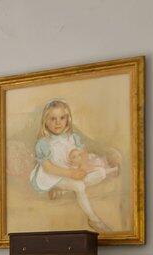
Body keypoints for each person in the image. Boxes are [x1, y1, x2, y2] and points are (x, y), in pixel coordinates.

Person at [29, 99, 119, 231]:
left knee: (100, 171)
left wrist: (82, 168)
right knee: (79, 185)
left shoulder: (73, 137)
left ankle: (64, 190)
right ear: (46, 122)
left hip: (71, 171)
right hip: (54, 175)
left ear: (67, 119)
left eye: (62, 117)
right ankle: (94, 219)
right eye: (53, 119)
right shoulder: (43, 143)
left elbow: (83, 154)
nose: (58, 122)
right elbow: (49, 168)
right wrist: (72, 174)